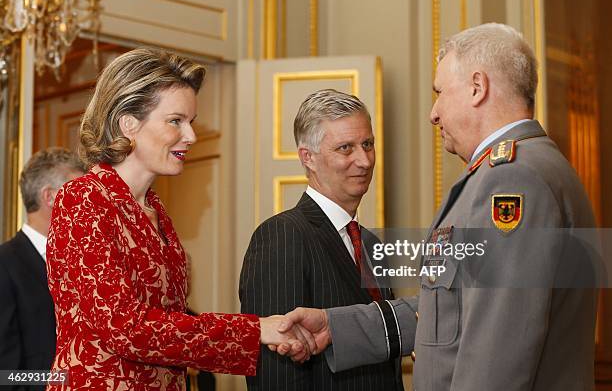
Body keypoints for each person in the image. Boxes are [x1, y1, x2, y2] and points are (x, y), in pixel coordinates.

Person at [276, 23, 598, 390]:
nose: (433, 113)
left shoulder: (512, 180)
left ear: (478, 87)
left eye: (440, 92)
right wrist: (337, 328)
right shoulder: (522, 168)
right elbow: (452, 309)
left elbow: (498, 350)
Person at [45, 48, 311, 391]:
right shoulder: (83, 198)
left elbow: (173, 323)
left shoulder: (157, 212)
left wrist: (266, 332)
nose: (191, 136)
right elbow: (125, 328)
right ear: (129, 123)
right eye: (175, 121)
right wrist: (256, 330)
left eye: (191, 122)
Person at [239, 89, 403, 390]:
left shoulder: (371, 245)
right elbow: (276, 375)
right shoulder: (282, 235)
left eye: (368, 144)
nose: (365, 161)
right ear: (308, 158)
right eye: (345, 148)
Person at [0, 148, 85, 390]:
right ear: (49, 197)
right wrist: (65, 380)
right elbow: (5, 375)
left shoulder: (82, 265)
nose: (88, 207)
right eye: (79, 195)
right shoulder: (4, 264)